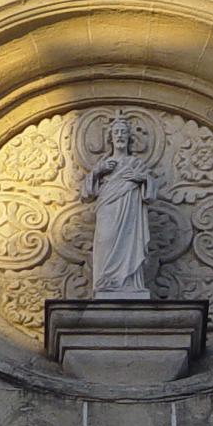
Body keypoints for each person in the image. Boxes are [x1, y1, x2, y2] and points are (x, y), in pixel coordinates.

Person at [81, 114, 157, 298]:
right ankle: (106, 281)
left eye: (123, 132)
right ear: (111, 138)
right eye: (116, 132)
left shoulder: (136, 163)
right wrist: (99, 171)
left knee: (131, 242)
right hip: (108, 207)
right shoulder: (104, 164)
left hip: (130, 208)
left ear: (129, 137)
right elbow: (87, 193)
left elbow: (150, 193)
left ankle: (129, 282)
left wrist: (142, 179)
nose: (120, 135)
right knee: (105, 239)